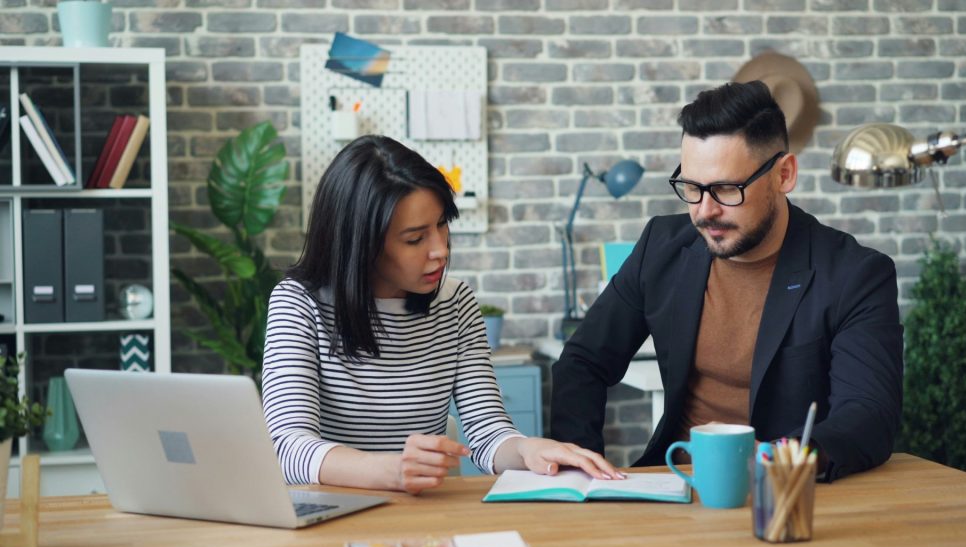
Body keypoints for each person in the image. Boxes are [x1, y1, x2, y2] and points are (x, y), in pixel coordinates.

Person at [550, 81, 903, 482]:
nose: (704, 211)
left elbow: (868, 415)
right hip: (673, 483)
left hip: (783, 493)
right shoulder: (661, 247)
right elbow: (582, 362)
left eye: (725, 189)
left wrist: (779, 458)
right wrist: (582, 473)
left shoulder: (854, 275)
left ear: (784, 174)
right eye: (692, 188)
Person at [262, 135, 621, 494]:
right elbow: (287, 446)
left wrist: (527, 448)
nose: (440, 251)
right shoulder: (298, 304)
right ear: (362, 244)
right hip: (326, 519)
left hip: (424, 523)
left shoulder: (456, 302)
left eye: (442, 224)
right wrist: (389, 471)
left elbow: (487, 433)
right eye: (415, 239)